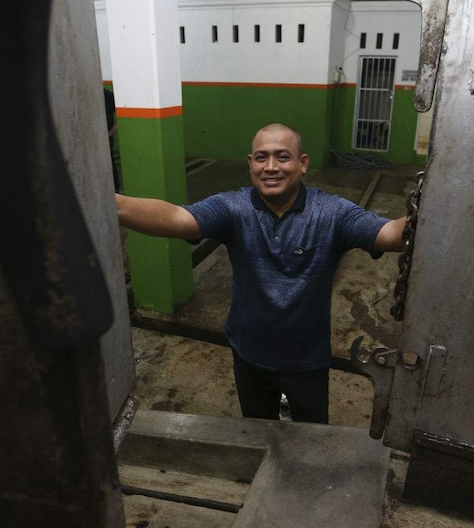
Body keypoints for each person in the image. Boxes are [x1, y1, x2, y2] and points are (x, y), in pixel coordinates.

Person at [115, 123, 405, 424]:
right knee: (257, 430)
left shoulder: (331, 213)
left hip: (306, 361)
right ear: (250, 164)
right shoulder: (233, 207)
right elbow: (177, 217)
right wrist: (113, 204)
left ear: (302, 163)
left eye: (282, 157)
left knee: (312, 436)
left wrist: (433, 206)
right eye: (261, 157)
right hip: (249, 354)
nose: (271, 167)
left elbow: (388, 233)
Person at [103, 87, 120, 192]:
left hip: (106, 137)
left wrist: (112, 131)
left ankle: (115, 191)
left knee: (109, 162)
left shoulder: (107, 95)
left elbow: (122, 114)